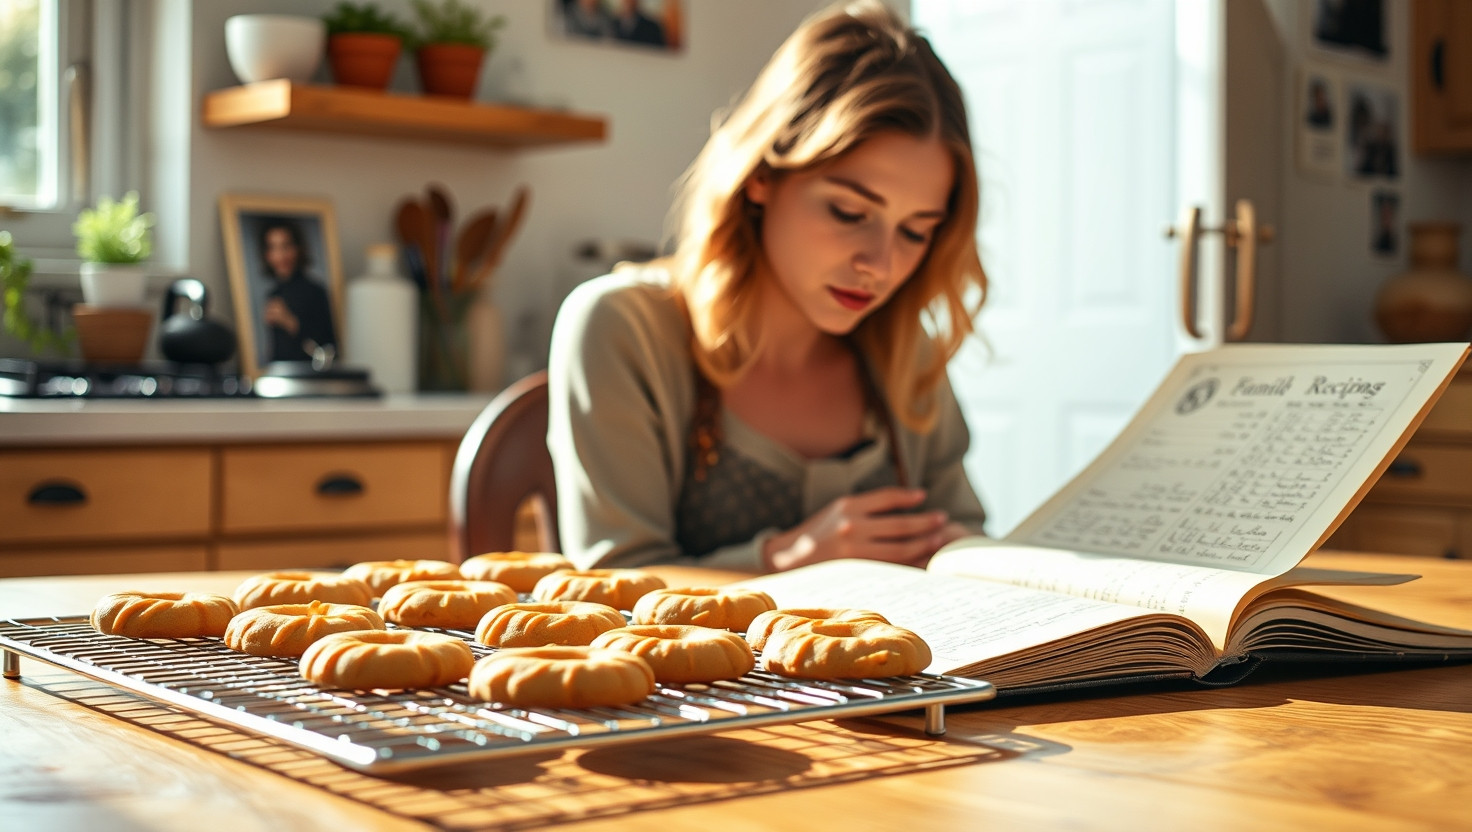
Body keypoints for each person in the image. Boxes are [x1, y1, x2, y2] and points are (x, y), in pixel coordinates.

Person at [547, 0, 989, 573]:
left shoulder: (909, 350)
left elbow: (964, 540)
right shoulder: (622, 328)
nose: (880, 265)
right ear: (760, 177)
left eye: (915, 231)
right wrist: (790, 557)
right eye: (849, 213)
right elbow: (617, 582)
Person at [257, 218, 337, 365]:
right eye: (273, 248)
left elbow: (328, 346)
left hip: (309, 377)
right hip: (280, 376)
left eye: (285, 246)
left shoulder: (315, 291)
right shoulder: (273, 295)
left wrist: (289, 322)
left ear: (298, 249)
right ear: (267, 254)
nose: (280, 255)